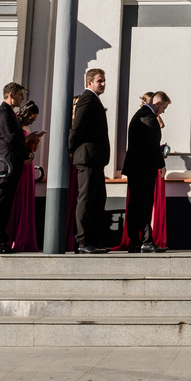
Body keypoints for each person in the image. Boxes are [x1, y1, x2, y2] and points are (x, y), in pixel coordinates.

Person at [117, 93, 170, 252]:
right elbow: (152, 145)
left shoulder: (140, 114)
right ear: (158, 102)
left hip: (135, 168)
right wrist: (161, 165)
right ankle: (146, 241)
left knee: (135, 205)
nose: (163, 111)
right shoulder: (148, 117)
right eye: (164, 107)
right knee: (144, 205)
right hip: (143, 169)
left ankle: (135, 242)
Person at [69, 69, 111, 254]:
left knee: (97, 200)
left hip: (96, 159)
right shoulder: (87, 99)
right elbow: (77, 128)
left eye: (103, 81)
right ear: (89, 83)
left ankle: (94, 241)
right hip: (87, 158)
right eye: (99, 81)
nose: (103, 84)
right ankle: (83, 242)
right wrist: (71, 149)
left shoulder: (95, 100)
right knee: (86, 200)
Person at [0, 83, 32, 252]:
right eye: (21, 95)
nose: (23, 98)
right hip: (6, 164)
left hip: (11, 163)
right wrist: (26, 154)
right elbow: (12, 138)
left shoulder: (10, 113)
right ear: (11, 94)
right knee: (1, 204)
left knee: (5, 205)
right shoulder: (3, 113)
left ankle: (0, 239)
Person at [0, 100, 44, 253]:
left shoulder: (26, 127)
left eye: (34, 120)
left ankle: (25, 236)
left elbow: (32, 148)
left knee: (26, 199)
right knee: (16, 199)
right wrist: (29, 137)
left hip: (29, 164)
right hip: (20, 164)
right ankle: (13, 237)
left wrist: (35, 141)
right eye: (31, 118)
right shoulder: (16, 124)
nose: (31, 121)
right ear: (25, 114)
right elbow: (15, 143)